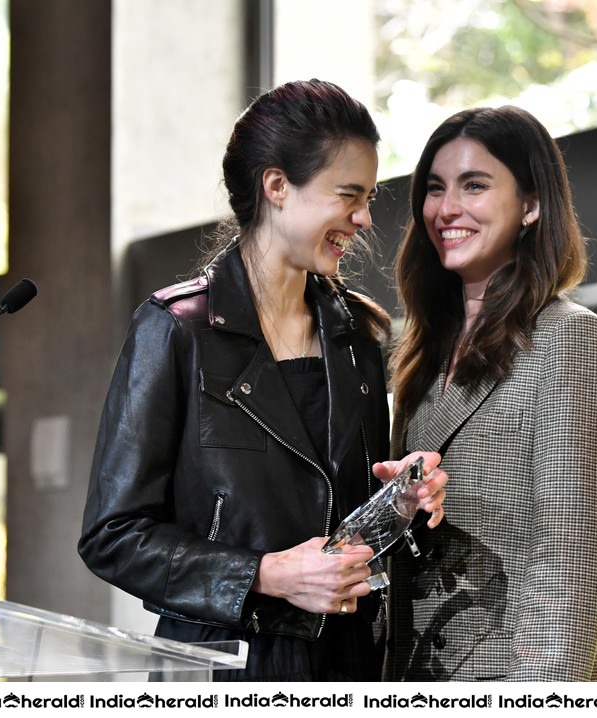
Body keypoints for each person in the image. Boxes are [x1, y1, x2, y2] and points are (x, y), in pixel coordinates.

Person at [78, 79, 448, 682]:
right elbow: (112, 535)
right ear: (277, 187)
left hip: (347, 666)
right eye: (348, 195)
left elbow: (345, 531)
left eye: (369, 197)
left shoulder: (359, 337)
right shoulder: (175, 331)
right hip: (221, 671)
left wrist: (400, 501)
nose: (363, 218)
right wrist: (266, 574)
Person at [385, 105, 597, 681]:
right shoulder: (420, 351)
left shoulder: (569, 337)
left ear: (532, 206)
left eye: (475, 185)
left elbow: (570, 560)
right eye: (435, 189)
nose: (446, 209)